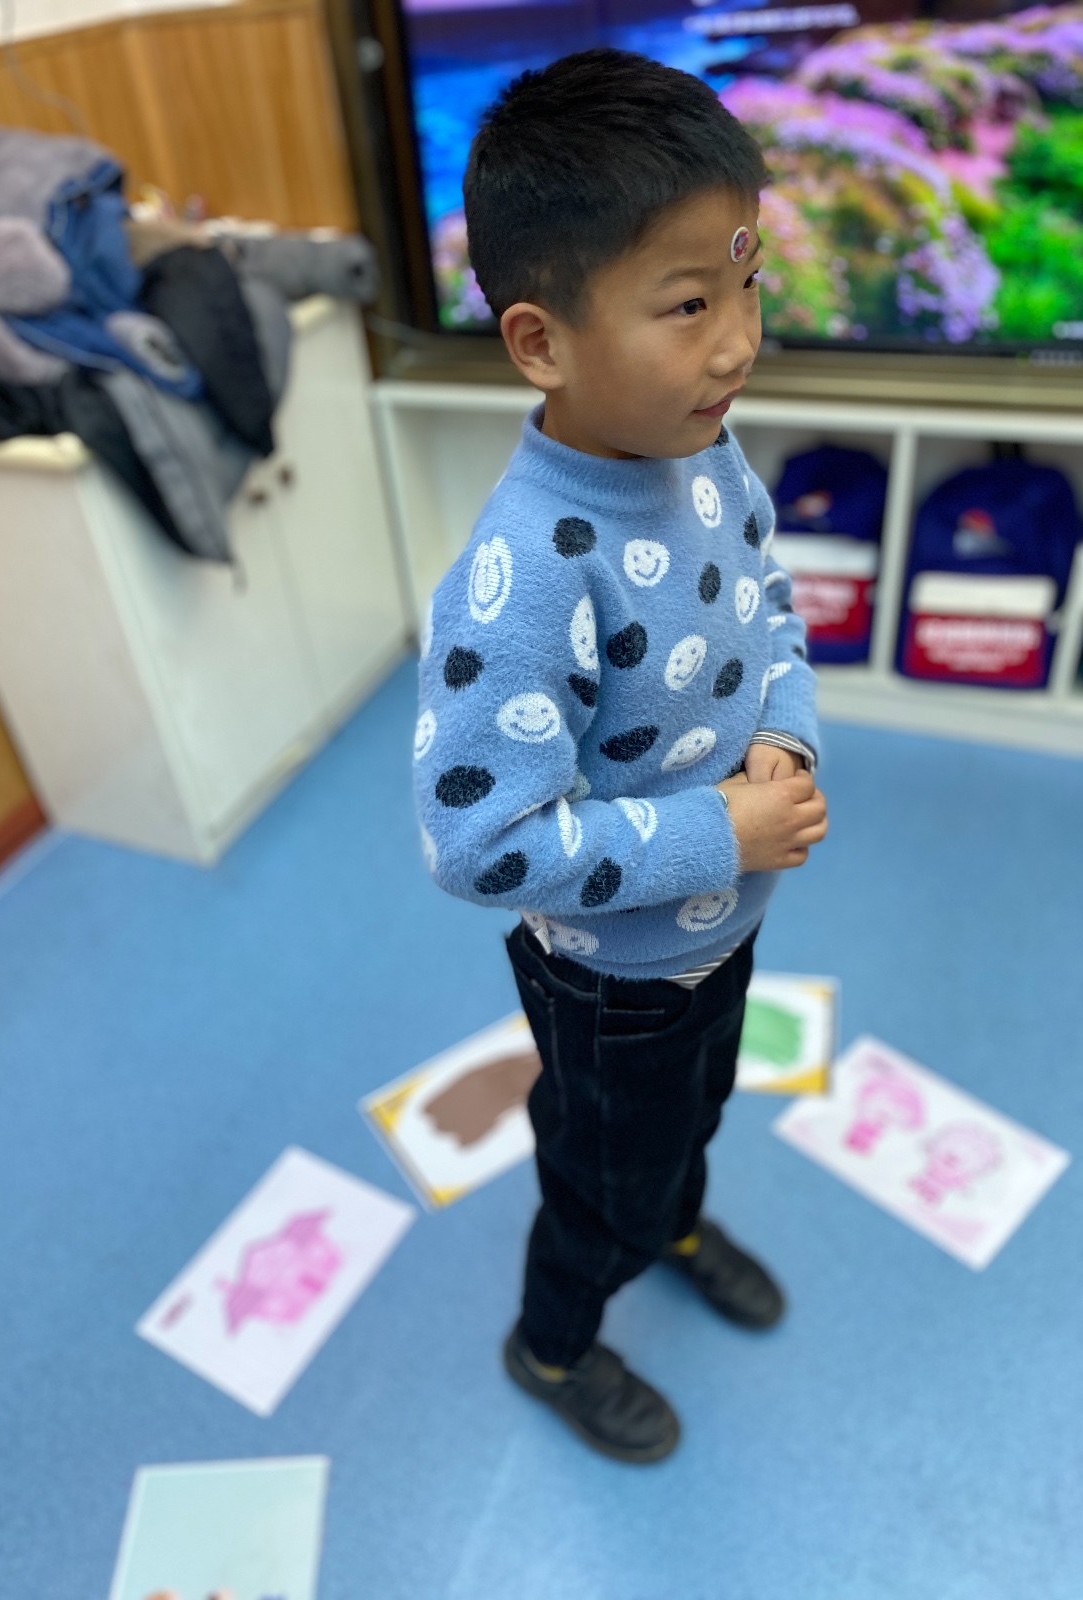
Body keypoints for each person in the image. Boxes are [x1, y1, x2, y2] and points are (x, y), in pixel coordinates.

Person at [413, 47, 828, 1464]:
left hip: (723, 933)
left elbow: (771, 610)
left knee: (692, 1119)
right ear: (541, 342)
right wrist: (727, 832)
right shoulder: (524, 577)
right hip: (612, 980)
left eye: (748, 283)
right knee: (600, 1182)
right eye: (689, 304)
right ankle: (553, 1343)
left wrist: (781, 735)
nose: (739, 341)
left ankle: (678, 1216)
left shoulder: (708, 451)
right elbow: (480, 842)